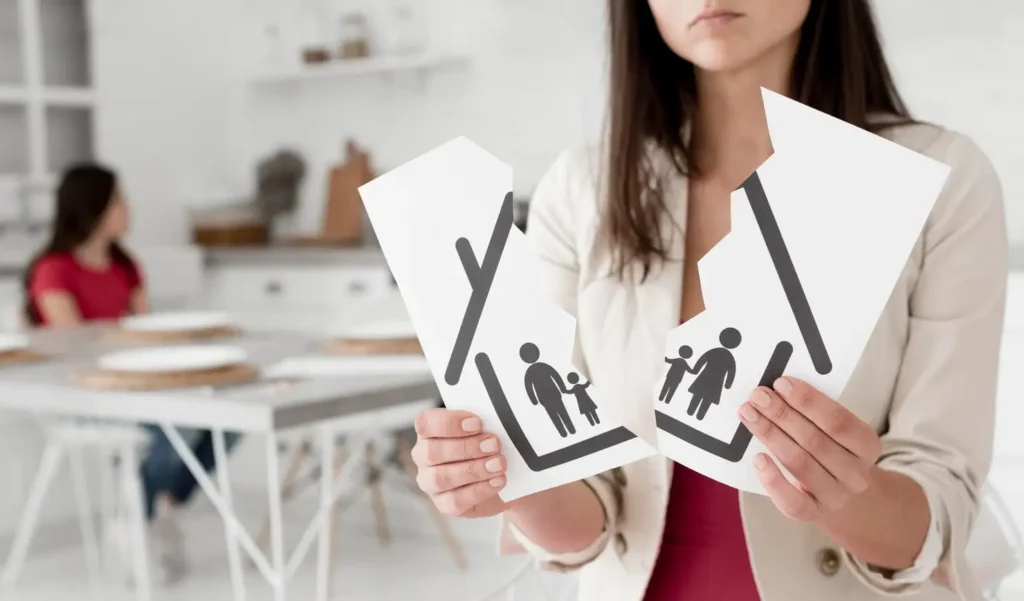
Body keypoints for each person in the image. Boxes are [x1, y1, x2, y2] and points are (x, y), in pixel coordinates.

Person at [407, 1, 1006, 600]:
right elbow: (588, 521)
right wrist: (511, 479)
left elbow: (937, 513)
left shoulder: (939, 178)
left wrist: (852, 498)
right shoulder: (586, 191)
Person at [24, 164, 240, 584]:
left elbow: (146, 331)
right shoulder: (53, 270)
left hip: (138, 385)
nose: (129, 207)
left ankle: (155, 506)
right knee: (176, 429)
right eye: (120, 199)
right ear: (94, 207)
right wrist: (130, 338)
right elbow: (74, 346)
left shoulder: (127, 265)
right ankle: (140, 515)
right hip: (85, 393)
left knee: (226, 420)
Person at [521, 342, 576, 437]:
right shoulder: (543, 366)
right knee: (562, 413)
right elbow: (556, 376)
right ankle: (570, 430)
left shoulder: (530, 372)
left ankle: (564, 433)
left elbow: (528, 387)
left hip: (545, 398)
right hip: (553, 395)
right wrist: (562, 388)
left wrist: (534, 400)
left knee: (555, 416)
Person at [685, 327, 741, 420]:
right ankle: (700, 416)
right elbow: (731, 372)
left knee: (698, 395)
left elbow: (702, 360)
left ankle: (690, 411)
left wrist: (696, 370)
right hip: (716, 382)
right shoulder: (729, 357)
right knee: (707, 399)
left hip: (704, 378)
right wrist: (728, 384)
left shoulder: (715, 351)